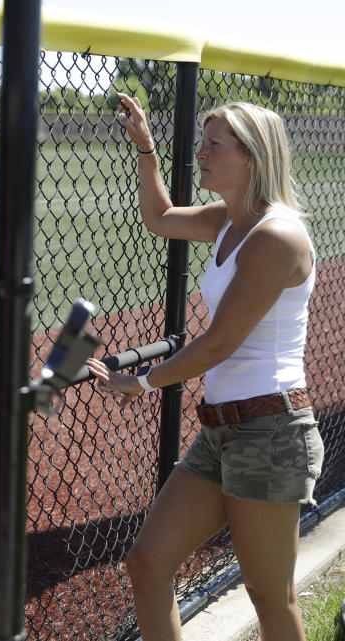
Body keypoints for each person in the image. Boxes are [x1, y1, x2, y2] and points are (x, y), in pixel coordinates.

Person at [85, 93, 325, 641]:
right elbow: (160, 217)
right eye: (202, 143)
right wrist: (146, 147)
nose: (201, 154)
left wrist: (143, 381)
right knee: (147, 561)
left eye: (214, 145)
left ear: (252, 155)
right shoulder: (228, 220)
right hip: (223, 429)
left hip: (270, 431)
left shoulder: (276, 235)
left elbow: (217, 345)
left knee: (270, 597)